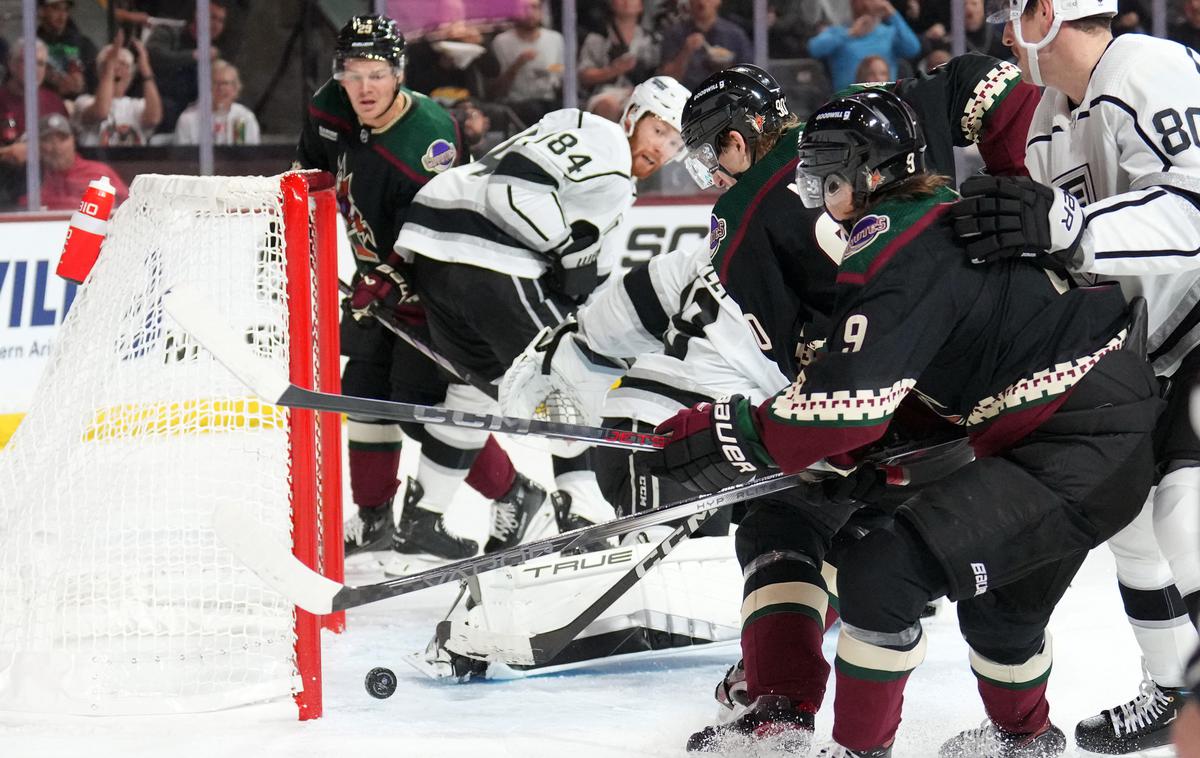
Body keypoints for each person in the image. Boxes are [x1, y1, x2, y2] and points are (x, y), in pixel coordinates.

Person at [647, 88, 1162, 758]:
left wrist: (729, 434)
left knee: (882, 574)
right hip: (1087, 431)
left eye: (822, 177)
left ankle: (860, 751)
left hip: (1071, 445)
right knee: (1000, 612)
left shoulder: (891, 241)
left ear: (860, 174)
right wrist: (854, 441)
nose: (815, 196)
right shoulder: (931, 213)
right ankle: (1025, 739)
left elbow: (845, 409)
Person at [948, 1, 1200, 753]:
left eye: (1011, 11)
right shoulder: (1046, 119)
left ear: (1049, 11)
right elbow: (1067, 253)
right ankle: (1175, 690)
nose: (1000, 32)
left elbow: (1194, 207)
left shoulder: (1147, 68)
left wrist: (1067, 227)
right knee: (1129, 519)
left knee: (1186, 511)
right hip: (1151, 345)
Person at [376, 75, 690, 567]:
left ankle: (423, 519)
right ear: (632, 116)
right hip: (489, 258)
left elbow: (593, 289)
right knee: (569, 379)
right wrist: (565, 250)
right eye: (658, 131)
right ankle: (582, 521)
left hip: (439, 255)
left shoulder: (613, 190)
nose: (662, 148)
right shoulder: (602, 138)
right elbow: (514, 189)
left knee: (474, 388)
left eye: (674, 142)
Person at [295, 15, 548, 566]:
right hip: (373, 284)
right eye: (353, 72)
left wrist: (394, 278)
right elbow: (309, 172)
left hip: (430, 291)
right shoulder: (327, 106)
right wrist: (284, 232)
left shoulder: (428, 136)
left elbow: (444, 230)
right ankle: (374, 519)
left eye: (377, 74)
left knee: (419, 411)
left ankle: (515, 493)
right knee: (360, 392)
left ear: (399, 74)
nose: (364, 87)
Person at [147, 0, 227, 132]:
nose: (216, 25)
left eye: (221, 21)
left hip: (191, 116)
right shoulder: (169, 32)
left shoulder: (213, 53)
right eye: (212, 17)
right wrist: (194, 56)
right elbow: (155, 57)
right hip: (157, 106)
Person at [807, 0, 921, 91]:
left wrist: (893, 14)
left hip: (885, 98)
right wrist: (850, 33)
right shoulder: (839, 31)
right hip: (848, 99)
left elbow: (913, 48)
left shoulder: (889, 32)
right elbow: (814, 49)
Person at [25, 112, 129, 210]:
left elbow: (129, 206)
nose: (56, 146)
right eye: (47, 140)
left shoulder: (99, 172)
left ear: (73, 141)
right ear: (37, 146)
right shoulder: (31, 178)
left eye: (62, 139)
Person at [74, 34, 162, 147]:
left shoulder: (137, 105)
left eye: (124, 65)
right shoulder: (83, 102)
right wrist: (109, 68)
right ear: (98, 72)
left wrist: (146, 71)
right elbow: (101, 112)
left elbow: (153, 119)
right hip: (98, 163)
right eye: (113, 63)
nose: (117, 69)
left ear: (131, 75)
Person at [579, 0, 659, 122]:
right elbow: (584, 76)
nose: (627, 2)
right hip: (606, 92)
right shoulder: (597, 37)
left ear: (641, 5)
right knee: (608, 106)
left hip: (642, 92)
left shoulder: (651, 39)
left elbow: (660, 72)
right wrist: (614, 70)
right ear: (611, 4)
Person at [489, 0, 565, 125]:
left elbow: (561, 71)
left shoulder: (555, 38)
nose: (530, 13)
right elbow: (496, 90)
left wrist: (552, 70)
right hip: (518, 102)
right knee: (535, 110)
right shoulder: (501, 42)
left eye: (535, 7)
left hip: (550, 99)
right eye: (524, 8)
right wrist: (517, 64)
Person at [658, 0, 753, 91]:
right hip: (684, 96)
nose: (701, 2)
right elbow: (666, 80)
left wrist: (728, 67)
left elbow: (749, 76)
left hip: (726, 97)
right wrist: (686, 51)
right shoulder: (674, 33)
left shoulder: (735, 35)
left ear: (718, 1)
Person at [172, 59, 259, 145]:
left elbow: (252, 155)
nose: (220, 89)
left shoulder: (245, 117)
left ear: (235, 89)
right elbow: (182, 157)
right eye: (215, 83)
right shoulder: (188, 119)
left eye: (225, 83)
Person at [37, 0, 98, 100]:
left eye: (65, 10)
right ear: (41, 11)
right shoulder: (30, 47)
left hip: (81, 107)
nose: (62, 16)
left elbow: (97, 81)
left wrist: (81, 86)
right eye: (56, 8)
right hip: (46, 107)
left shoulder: (84, 44)